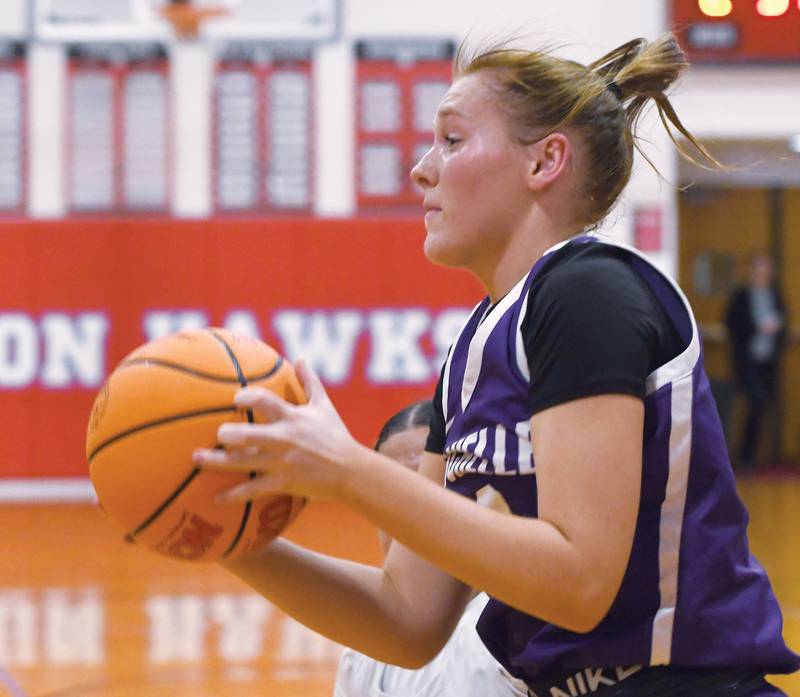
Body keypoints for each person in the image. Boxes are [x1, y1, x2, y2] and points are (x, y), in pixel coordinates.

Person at [194, 33, 799, 695]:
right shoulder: (470, 352)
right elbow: (407, 617)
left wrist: (348, 470)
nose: (422, 169)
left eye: (451, 141)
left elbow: (580, 582)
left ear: (545, 161)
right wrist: (228, 539)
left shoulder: (587, 291)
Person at [333, 399, 528, 697]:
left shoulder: (520, 624)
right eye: (391, 493)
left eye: (427, 493)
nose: (409, 515)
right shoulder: (362, 652)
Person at [724, 252, 787, 469]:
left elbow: (785, 322)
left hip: (768, 362)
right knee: (755, 403)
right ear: (752, 272)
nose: (763, 274)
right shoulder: (741, 296)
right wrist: (758, 328)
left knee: (766, 406)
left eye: (767, 270)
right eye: (759, 270)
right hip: (747, 361)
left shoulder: (775, 295)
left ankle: (757, 455)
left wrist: (778, 329)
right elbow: (732, 324)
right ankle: (743, 455)